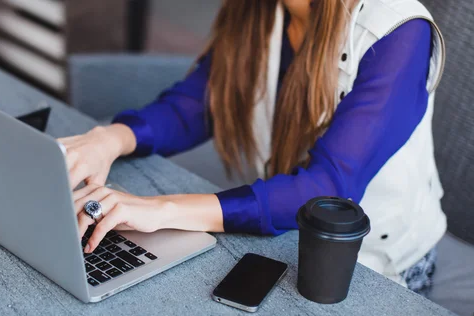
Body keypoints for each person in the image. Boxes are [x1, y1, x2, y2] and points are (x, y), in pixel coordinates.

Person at [58, 0, 446, 295]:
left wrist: (161, 210)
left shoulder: (399, 31)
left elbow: (326, 191)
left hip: (373, 264)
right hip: (280, 230)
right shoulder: (259, 9)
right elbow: (197, 106)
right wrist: (108, 139)